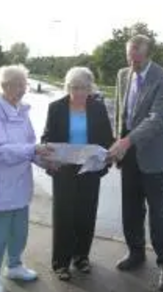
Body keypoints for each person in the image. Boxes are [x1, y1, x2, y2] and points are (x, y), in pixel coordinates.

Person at [109, 35, 163, 291]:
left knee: (157, 211)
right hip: (128, 156)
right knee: (131, 207)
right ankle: (136, 253)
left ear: (148, 54)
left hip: (154, 155)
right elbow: (120, 110)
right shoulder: (122, 74)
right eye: (129, 55)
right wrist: (118, 140)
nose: (132, 62)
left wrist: (126, 141)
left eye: (136, 57)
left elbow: (157, 118)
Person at [0, 64, 52, 292]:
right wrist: (34, 149)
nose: (23, 89)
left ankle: (15, 266)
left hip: (20, 184)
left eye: (24, 84)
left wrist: (48, 163)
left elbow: (31, 149)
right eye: (18, 85)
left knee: (19, 231)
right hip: (0, 185)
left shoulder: (21, 112)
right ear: (5, 86)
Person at [42, 67, 114, 281]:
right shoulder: (56, 108)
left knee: (86, 212)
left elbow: (106, 138)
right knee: (64, 215)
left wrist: (107, 155)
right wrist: (49, 157)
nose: (79, 92)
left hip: (89, 168)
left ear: (90, 88)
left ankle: (81, 257)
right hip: (64, 169)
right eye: (74, 87)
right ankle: (60, 263)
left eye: (83, 88)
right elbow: (47, 137)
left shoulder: (98, 108)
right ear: (67, 87)